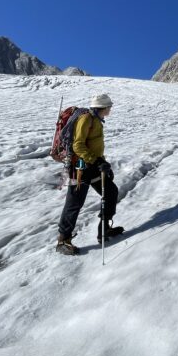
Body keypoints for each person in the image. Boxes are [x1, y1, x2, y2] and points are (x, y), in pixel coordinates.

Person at [56, 93, 123, 255]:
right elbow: (78, 145)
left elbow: (95, 147)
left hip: (93, 166)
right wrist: (98, 162)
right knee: (74, 204)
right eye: (109, 107)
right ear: (103, 107)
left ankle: (104, 230)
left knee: (111, 192)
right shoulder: (86, 119)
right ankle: (63, 240)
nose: (110, 109)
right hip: (79, 168)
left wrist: (104, 164)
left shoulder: (96, 121)